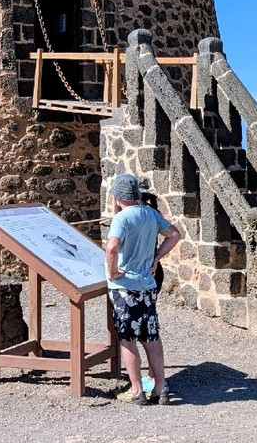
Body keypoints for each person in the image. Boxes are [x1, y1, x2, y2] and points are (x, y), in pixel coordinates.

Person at [105, 173, 181, 406]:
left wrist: (113, 271)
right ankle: (160, 387)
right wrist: (157, 257)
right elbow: (175, 234)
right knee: (151, 336)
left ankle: (137, 390)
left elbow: (112, 248)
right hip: (147, 284)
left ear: (118, 198)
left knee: (128, 338)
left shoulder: (122, 219)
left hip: (125, 286)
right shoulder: (151, 214)